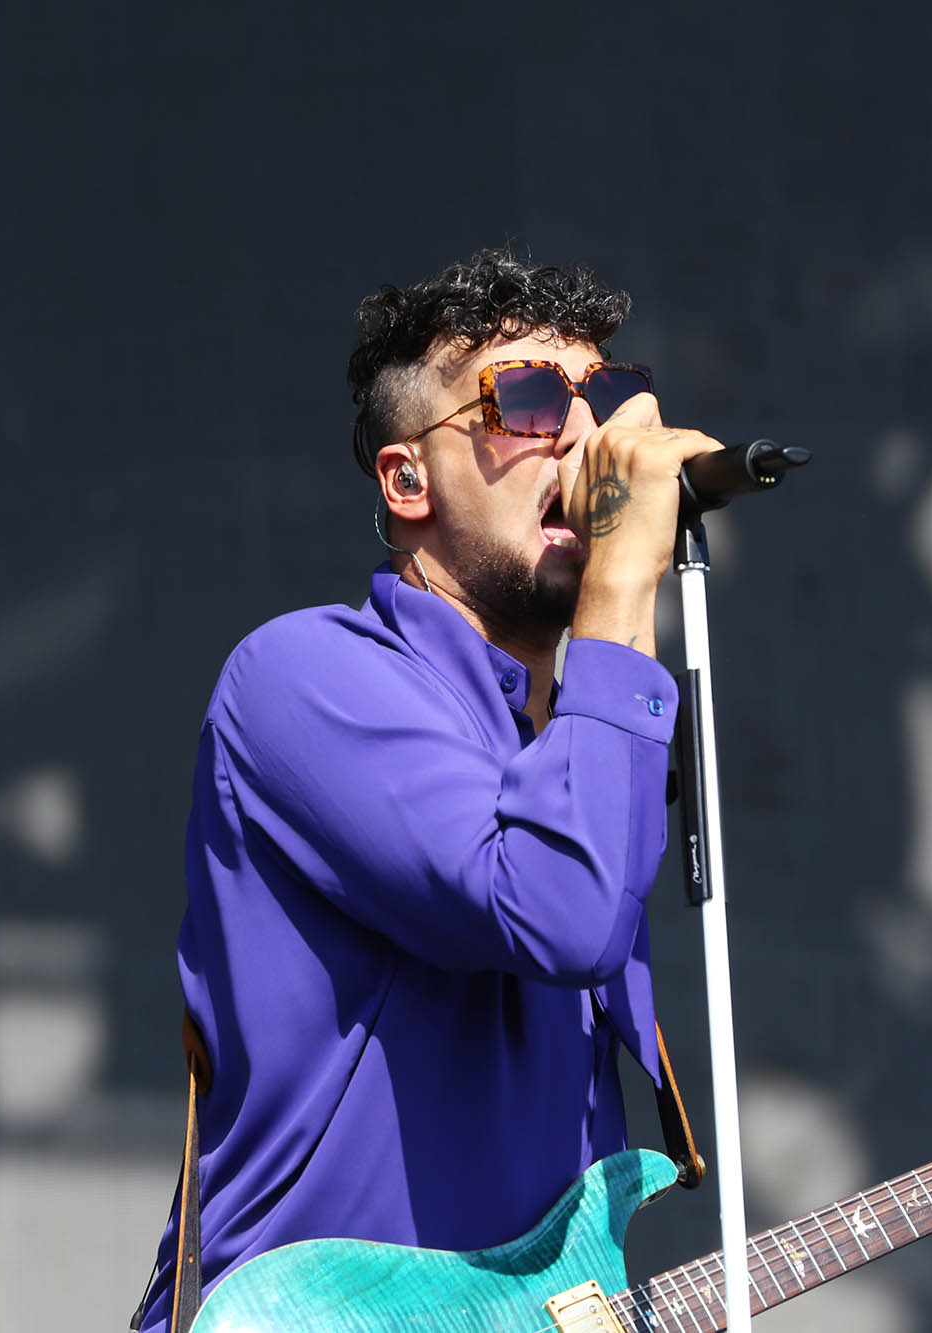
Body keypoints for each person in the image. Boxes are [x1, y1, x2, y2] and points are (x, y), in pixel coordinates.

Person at [135, 248, 722, 1330]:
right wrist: (619, 579)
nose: (581, 437)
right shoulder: (302, 675)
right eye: (527, 401)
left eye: (593, 398)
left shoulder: (586, 737)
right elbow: (559, 912)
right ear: (407, 480)